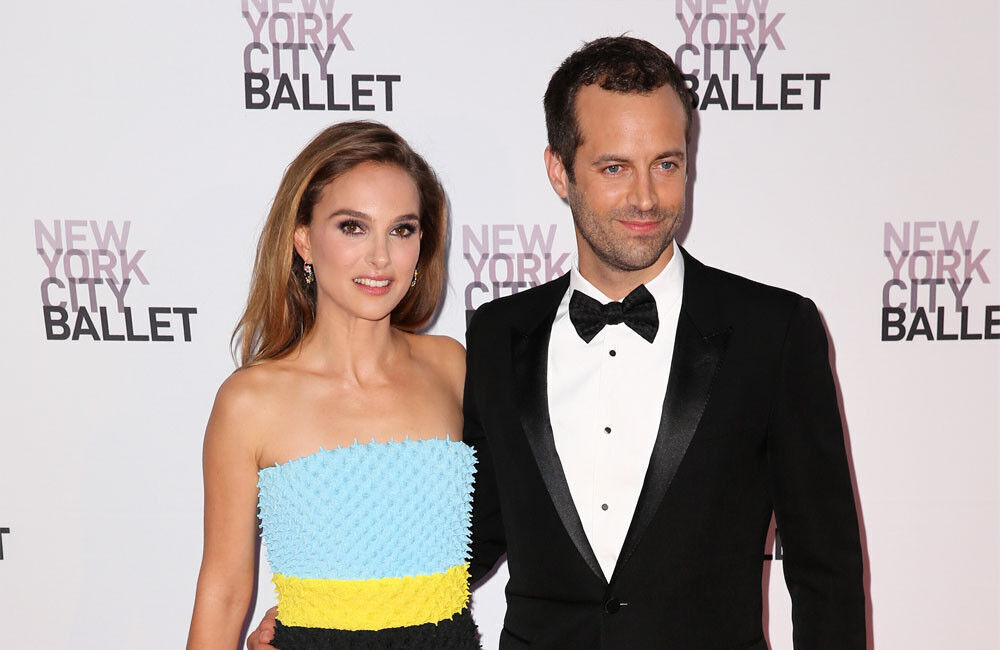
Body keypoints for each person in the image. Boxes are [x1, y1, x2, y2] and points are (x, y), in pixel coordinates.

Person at [251, 36, 865, 649]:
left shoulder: (773, 331)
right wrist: (327, 614)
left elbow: (826, 571)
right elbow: (470, 533)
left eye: (666, 164)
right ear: (559, 172)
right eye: (614, 168)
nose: (646, 197)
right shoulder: (497, 336)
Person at [187, 121, 480, 649]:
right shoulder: (249, 402)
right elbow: (224, 591)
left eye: (402, 229)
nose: (380, 257)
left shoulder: (451, 367)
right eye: (352, 227)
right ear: (303, 239)